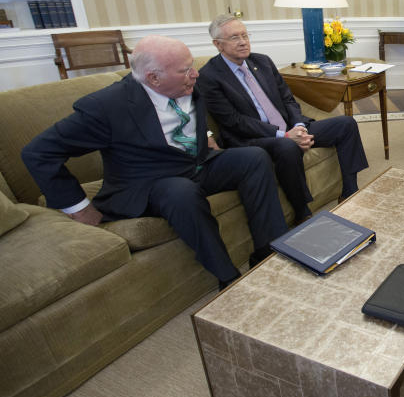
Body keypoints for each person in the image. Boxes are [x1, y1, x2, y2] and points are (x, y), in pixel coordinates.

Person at [21, 35, 287, 289]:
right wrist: (78, 207)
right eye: (185, 70)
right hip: (150, 182)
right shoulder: (107, 106)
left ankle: (268, 253)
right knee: (181, 192)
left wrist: (205, 135)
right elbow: (38, 152)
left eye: (192, 66)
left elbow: (187, 118)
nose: (195, 74)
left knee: (253, 158)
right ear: (153, 78)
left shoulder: (188, 83)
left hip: (196, 165)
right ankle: (228, 278)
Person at [198, 15, 368, 222]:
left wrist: (298, 126)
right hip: (252, 139)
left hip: (290, 127)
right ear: (218, 44)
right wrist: (284, 135)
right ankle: (302, 212)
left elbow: (288, 98)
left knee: (346, 124)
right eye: (234, 37)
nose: (243, 41)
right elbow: (234, 121)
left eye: (244, 35)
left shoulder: (262, 61)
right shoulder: (209, 76)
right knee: (287, 147)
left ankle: (350, 191)